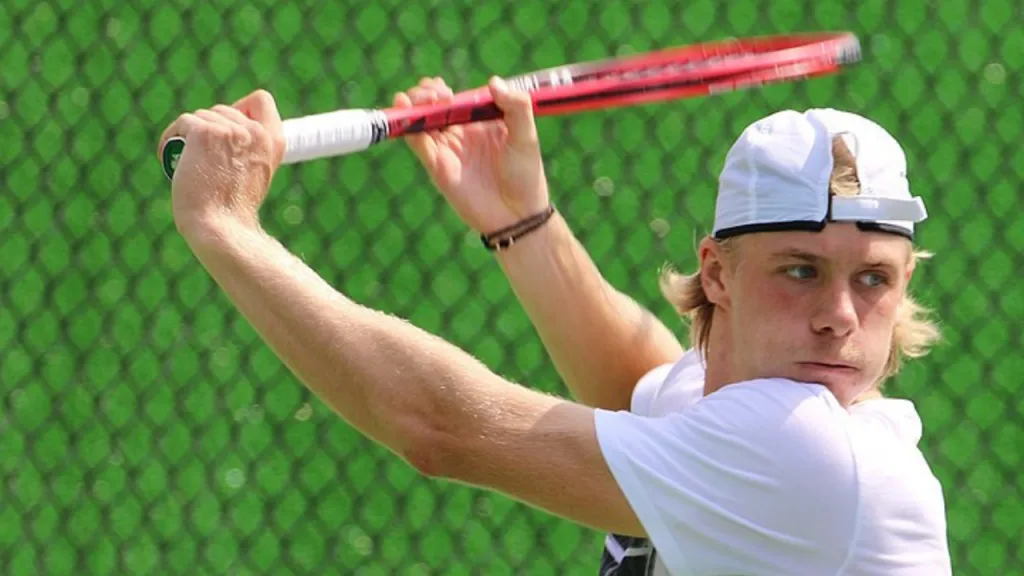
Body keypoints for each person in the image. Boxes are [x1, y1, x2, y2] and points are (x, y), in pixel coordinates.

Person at [158, 74, 952, 574]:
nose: (840, 317)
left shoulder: (811, 452)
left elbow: (439, 427)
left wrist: (224, 224)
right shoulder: (743, 415)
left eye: (874, 279)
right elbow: (644, 384)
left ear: (906, 280)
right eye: (801, 271)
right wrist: (523, 225)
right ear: (718, 275)